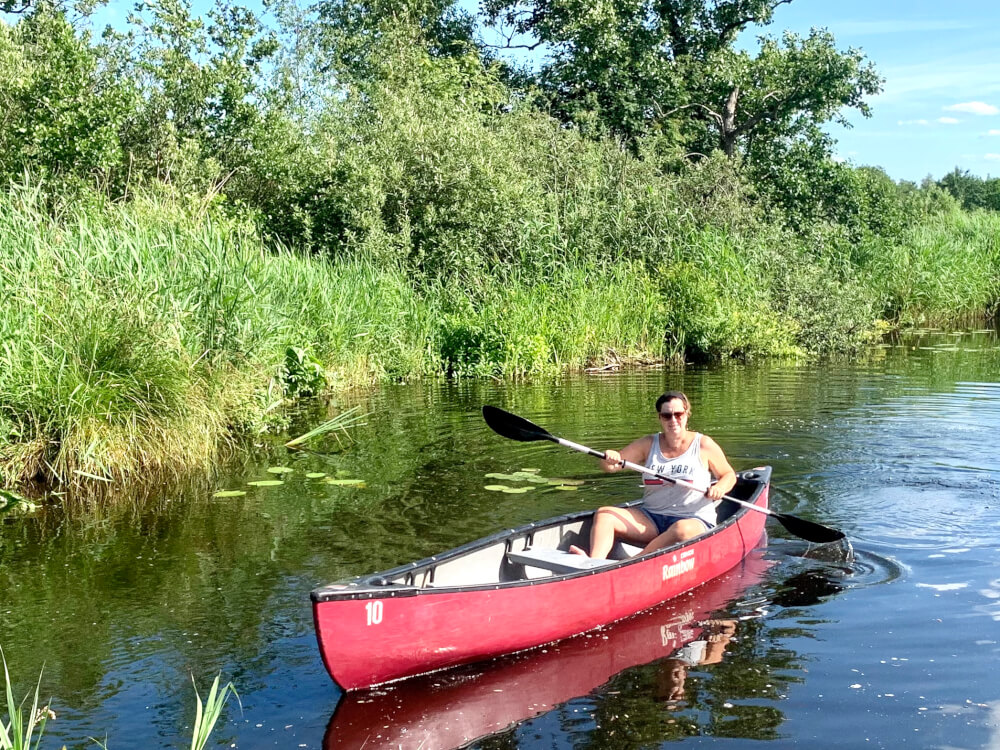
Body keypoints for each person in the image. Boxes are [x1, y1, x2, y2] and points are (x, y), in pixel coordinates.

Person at [570, 390, 737, 559]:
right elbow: (612, 467)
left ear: (686, 414)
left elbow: (728, 475)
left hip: (693, 519)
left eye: (678, 414)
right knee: (605, 514)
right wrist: (609, 458)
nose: (673, 420)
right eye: (667, 416)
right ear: (660, 418)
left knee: (681, 530)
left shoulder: (703, 444)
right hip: (652, 518)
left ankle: (634, 562)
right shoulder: (648, 444)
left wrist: (720, 487)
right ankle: (594, 563)